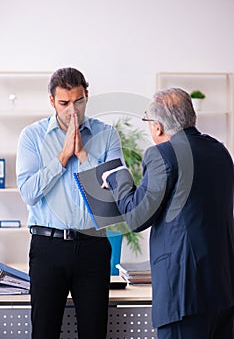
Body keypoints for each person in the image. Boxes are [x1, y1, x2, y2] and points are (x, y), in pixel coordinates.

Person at [102, 87, 234, 339]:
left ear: (158, 127)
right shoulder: (220, 151)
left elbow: (137, 217)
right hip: (223, 289)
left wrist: (119, 177)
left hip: (184, 295)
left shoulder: (163, 154)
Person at [16, 67, 124, 339]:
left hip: (93, 248)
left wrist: (84, 155)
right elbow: (28, 192)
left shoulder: (107, 135)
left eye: (78, 101)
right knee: (44, 332)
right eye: (64, 103)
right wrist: (62, 158)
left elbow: (114, 196)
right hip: (47, 248)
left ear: (87, 96)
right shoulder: (32, 136)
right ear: (52, 101)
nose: (72, 110)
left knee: (94, 333)